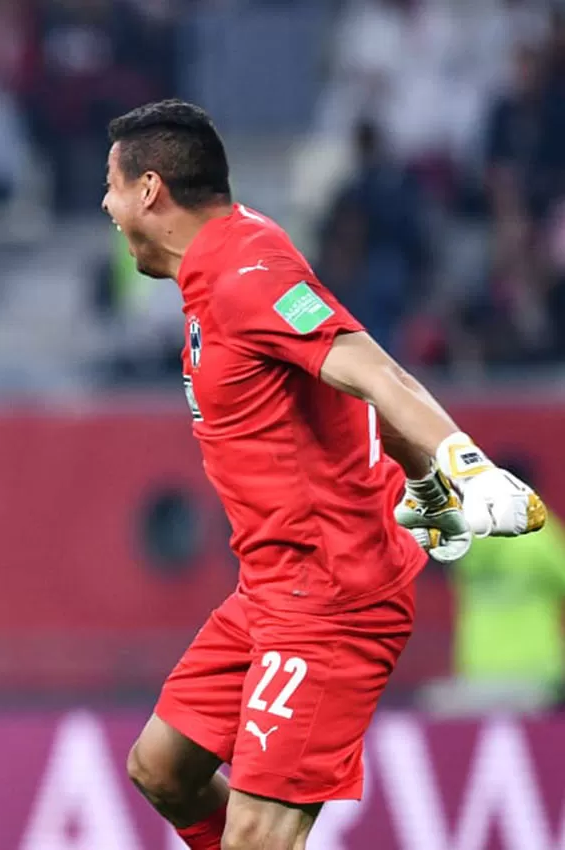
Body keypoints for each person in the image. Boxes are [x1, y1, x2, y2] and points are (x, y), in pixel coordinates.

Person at [101, 100, 547, 850]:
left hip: (330, 597)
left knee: (256, 835)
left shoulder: (248, 276)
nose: (106, 208)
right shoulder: (232, 259)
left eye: (110, 187)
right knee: (163, 768)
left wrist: (466, 468)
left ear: (150, 190)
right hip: (271, 588)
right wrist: (421, 487)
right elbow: (337, 399)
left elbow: (376, 372)